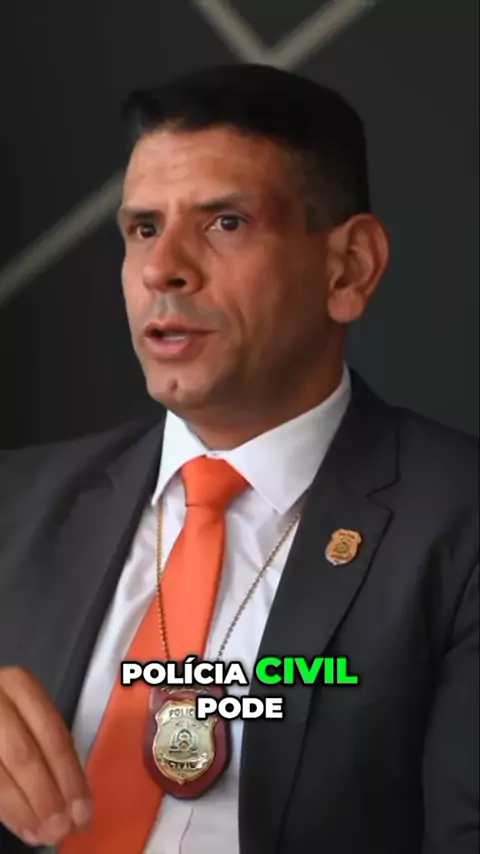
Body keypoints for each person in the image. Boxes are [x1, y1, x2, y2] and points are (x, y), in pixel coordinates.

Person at [0, 62, 478, 854]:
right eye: (143, 228)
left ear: (349, 267)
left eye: (225, 222)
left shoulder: (459, 526)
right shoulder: (13, 503)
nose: (163, 268)